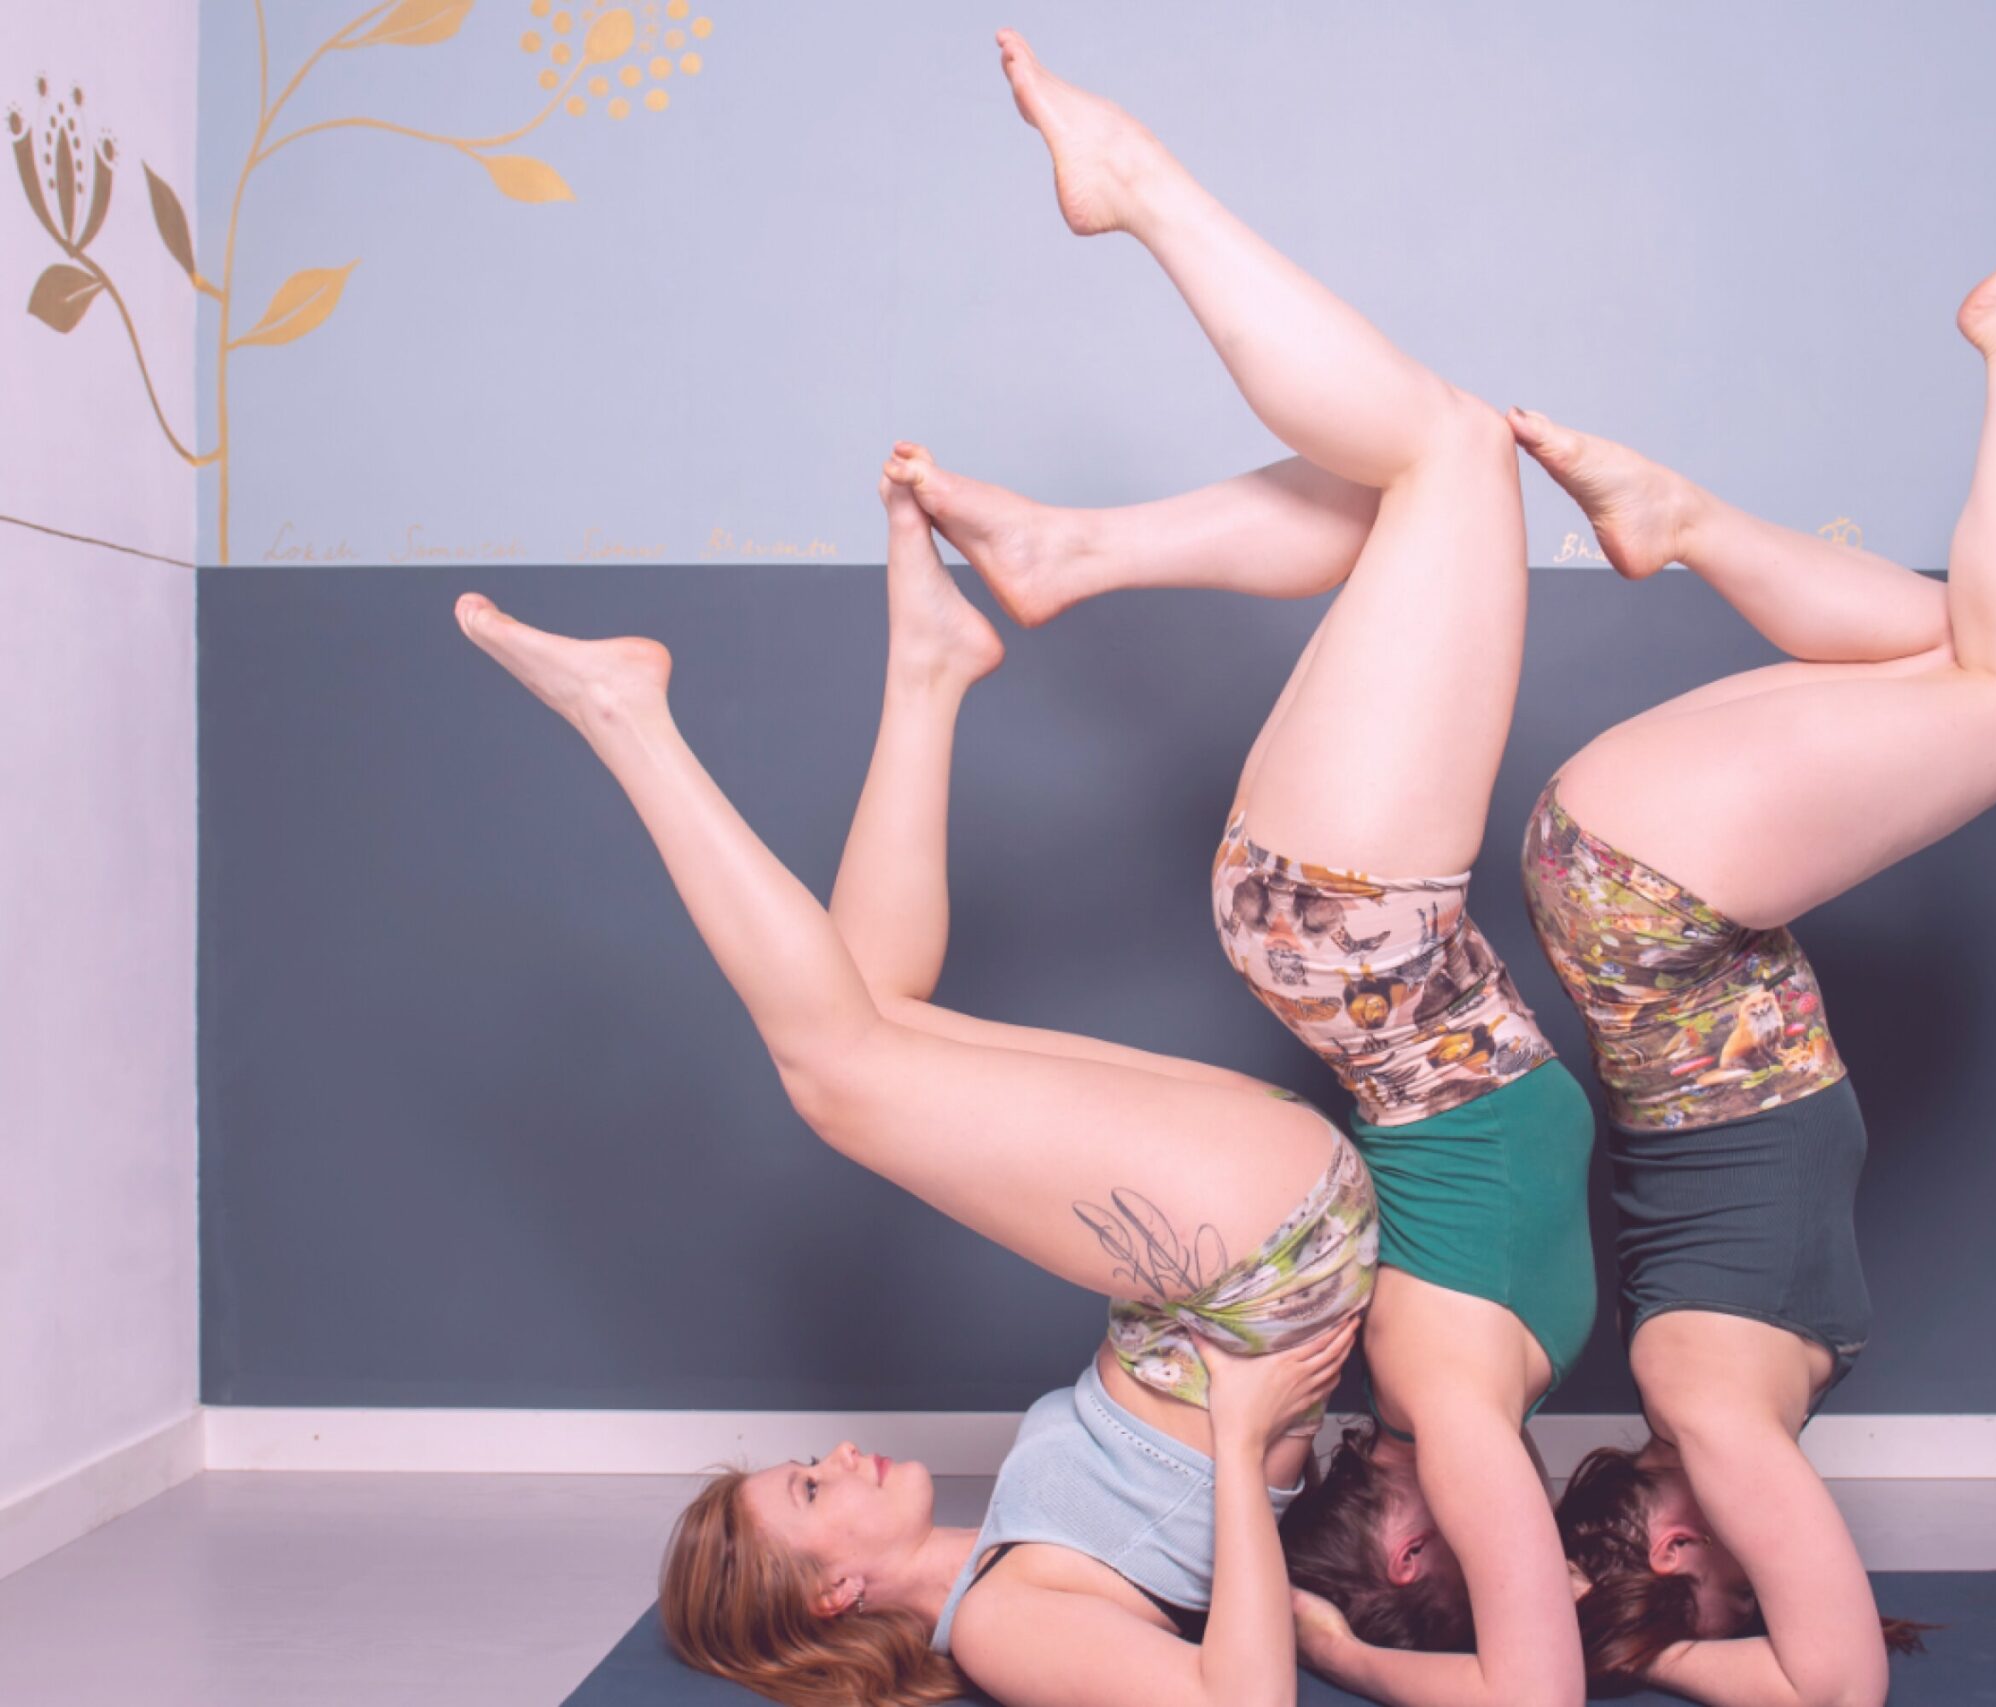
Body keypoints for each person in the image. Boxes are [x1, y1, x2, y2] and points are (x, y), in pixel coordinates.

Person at [891, 32, 1594, 1707]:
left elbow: (1540, 1687)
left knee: (1445, 457)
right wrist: (1367, 1636)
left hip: (1353, 934)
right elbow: (1525, 1669)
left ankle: (1138, 197)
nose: (1521, 1544)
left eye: (1489, 1555)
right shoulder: (1468, 1393)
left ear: (1417, 1546)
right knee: (1413, 479)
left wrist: (1375, 1623)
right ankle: (1077, 550)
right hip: (1366, 936)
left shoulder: (1445, 1383)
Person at [454, 462, 1375, 1707]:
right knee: (831, 1075)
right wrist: (1232, 1430)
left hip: (1239, 1247)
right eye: (815, 1491)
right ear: (834, 1594)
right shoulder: (998, 1627)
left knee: (870, 1006)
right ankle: (625, 716)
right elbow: (1241, 1704)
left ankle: (929, 670)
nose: (836, 1455)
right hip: (1260, 1269)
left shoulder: (1001, 1544)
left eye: (808, 1468)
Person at [1517, 144, 1996, 1706]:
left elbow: (1836, 1691)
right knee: (1968, 639)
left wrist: (1664, 1648)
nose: (1760, 1533)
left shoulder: (1698, 1392)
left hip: (1647, 897)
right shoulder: (1742, 1382)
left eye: (1707, 1553)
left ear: (1681, 1554)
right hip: (1636, 888)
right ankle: (1680, 516)